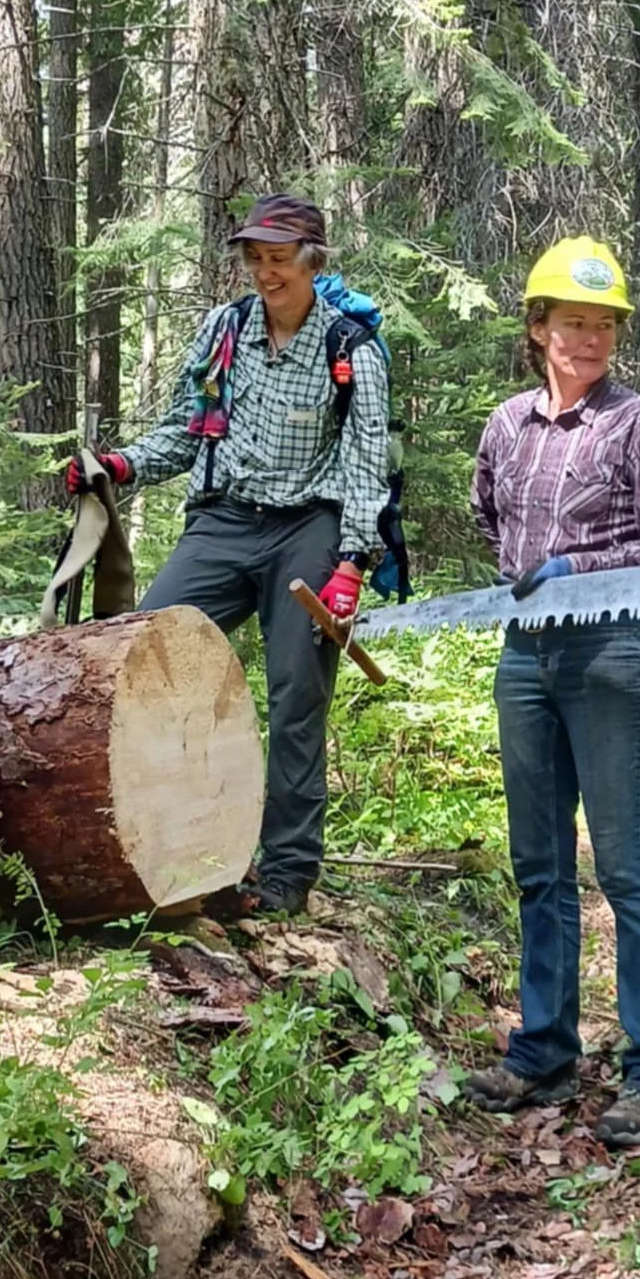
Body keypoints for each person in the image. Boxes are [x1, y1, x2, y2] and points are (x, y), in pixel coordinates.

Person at [65, 194, 389, 917]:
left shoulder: (350, 349)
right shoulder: (224, 331)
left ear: (312, 262)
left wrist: (352, 562)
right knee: (144, 659)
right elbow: (188, 431)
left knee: (296, 695)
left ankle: (285, 873)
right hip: (222, 523)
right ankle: (167, 848)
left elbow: (368, 461)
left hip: (309, 527)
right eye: (254, 258)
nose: (264, 272)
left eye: (278, 258)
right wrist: (122, 467)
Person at [462, 237, 640, 1151]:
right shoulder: (508, 424)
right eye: (573, 325)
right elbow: (490, 511)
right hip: (527, 656)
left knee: (626, 860)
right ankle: (544, 1048)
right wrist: (532, 575)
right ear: (539, 330)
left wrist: (581, 568)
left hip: (613, 650)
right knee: (538, 862)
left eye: (603, 326)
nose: (589, 341)